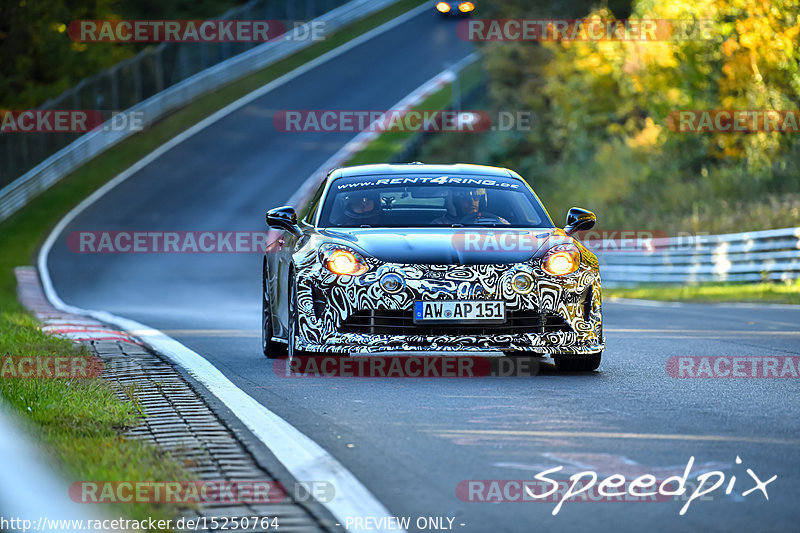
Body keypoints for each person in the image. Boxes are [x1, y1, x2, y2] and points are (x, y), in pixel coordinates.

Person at [431, 188, 509, 225]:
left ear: (481, 201)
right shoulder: (440, 224)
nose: (472, 202)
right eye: (465, 198)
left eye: (476, 197)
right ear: (456, 202)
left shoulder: (499, 222)